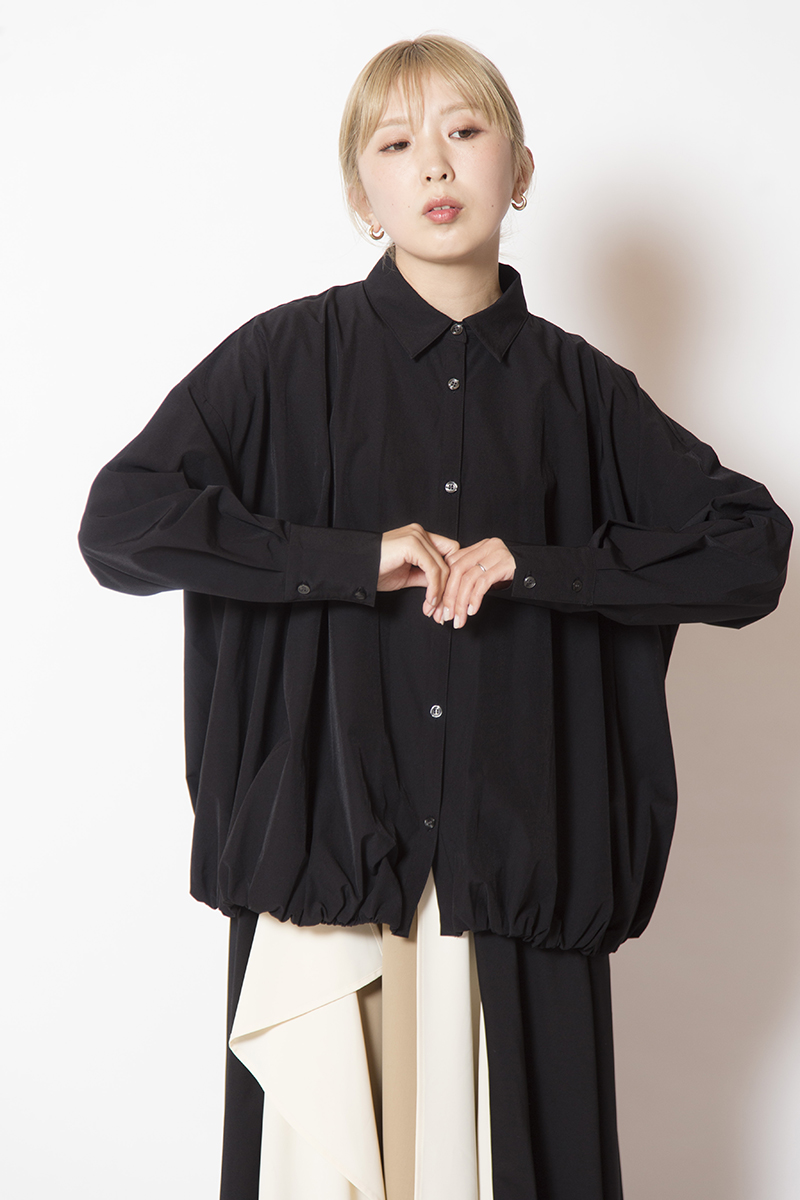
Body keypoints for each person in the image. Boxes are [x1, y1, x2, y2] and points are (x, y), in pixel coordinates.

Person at [78, 33, 792, 1200]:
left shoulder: (583, 393)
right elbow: (122, 523)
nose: (434, 164)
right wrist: (344, 559)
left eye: (464, 131)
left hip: (515, 883)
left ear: (520, 170)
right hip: (323, 873)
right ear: (361, 196)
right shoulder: (281, 362)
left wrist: (540, 569)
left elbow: (748, 550)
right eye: (396, 144)